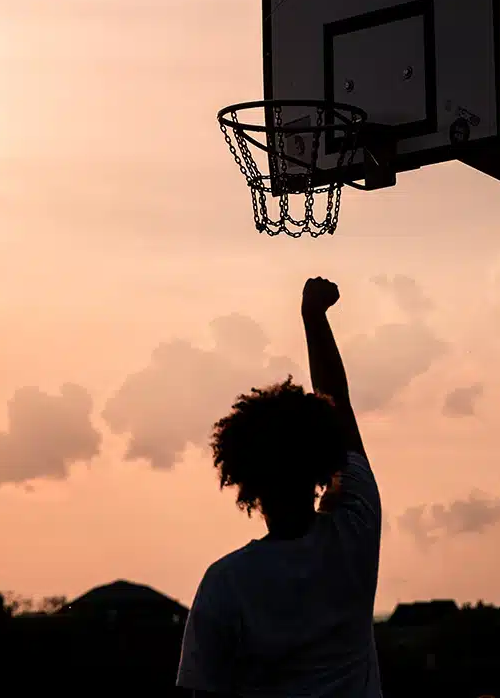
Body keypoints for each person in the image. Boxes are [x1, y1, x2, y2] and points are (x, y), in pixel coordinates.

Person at [176, 277, 382, 698]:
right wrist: (313, 319)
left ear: (246, 483)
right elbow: (338, 408)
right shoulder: (355, 536)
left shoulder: (225, 583)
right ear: (319, 469)